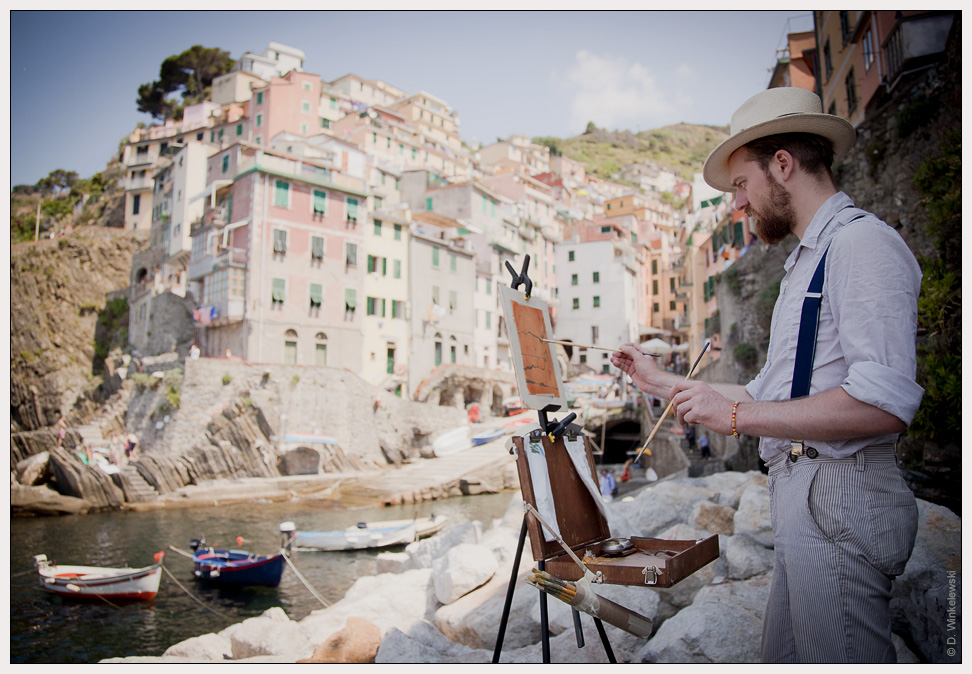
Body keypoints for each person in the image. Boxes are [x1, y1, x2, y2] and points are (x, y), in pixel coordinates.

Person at [611, 88, 923, 663]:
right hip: (809, 500)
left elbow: (882, 404)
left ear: (783, 164)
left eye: (740, 184)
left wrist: (735, 417)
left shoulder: (862, 245)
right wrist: (660, 382)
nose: (738, 204)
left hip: (840, 496)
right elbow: (764, 397)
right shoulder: (807, 260)